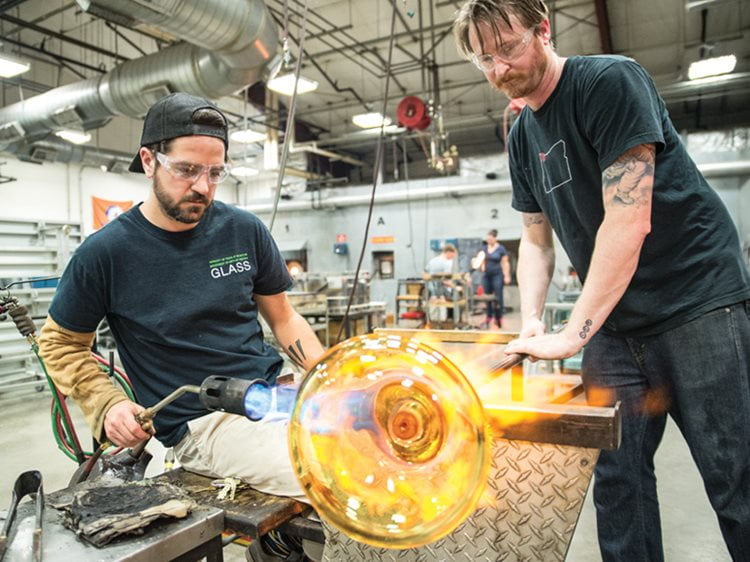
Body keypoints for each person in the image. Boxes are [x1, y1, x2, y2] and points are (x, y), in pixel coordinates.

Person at [454, 2, 750, 561]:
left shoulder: (609, 81)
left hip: (697, 301)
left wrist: (573, 333)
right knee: (618, 484)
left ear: (544, 29)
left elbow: (629, 219)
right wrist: (536, 319)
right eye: (483, 59)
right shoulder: (522, 136)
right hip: (617, 325)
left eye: (509, 48)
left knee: (734, 476)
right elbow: (535, 240)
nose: (498, 70)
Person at [38, 93, 326, 504]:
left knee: (382, 439)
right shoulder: (105, 253)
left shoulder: (243, 230)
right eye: (187, 170)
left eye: (215, 172)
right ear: (149, 160)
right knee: (332, 473)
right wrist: (109, 405)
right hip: (205, 424)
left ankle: (283, 546)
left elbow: (284, 319)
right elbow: (60, 343)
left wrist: (327, 378)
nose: (202, 187)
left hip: (275, 393)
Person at [472, 229, 511, 328]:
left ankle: (499, 317)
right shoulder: (484, 248)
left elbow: (505, 263)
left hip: (497, 274)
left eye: (490, 239)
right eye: (487, 239)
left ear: (495, 238)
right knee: (487, 296)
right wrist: (479, 266)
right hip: (486, 275)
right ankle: (489, 316)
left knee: (498, 296)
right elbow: (480, 260)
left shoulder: (501, 249)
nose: (488, 240)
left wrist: (506, 275)